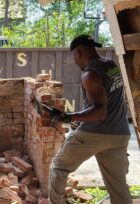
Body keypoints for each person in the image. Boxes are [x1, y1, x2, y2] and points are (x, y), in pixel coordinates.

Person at [48, 35, 132, 204]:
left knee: (58, 166)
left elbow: (100, 112)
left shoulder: (90, 75)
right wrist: (80, 119)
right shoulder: (111, 66)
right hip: (120, 134)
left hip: (95, 133)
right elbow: (108, 103)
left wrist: (68, 116)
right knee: (117, 185)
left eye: (73, 56)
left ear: (78, 52)